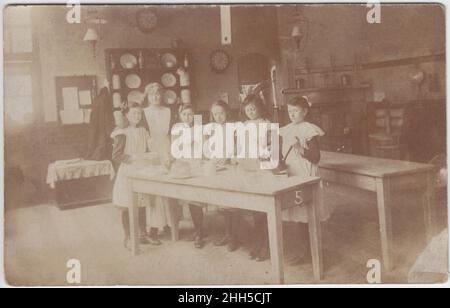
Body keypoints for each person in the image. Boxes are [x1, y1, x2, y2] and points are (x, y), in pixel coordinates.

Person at [279, 95, 328, 264]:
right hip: (293, 174)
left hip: (305, 174)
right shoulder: (286, 129)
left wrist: (300, 148)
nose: (292, 114)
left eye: (296, 111)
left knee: (307, 213)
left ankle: (311, 251)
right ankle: (304, 250)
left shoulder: (309, 129)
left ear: (305, 111)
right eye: (289, 111)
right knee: (297, 213)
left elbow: (315, 157)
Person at [111, 103, 165, 249]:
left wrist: (153, 154)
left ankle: (143, 234)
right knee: (127, 205)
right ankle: (128, 237)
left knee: (142, 203)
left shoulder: (143, 131)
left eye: (139, 114)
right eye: (133, 113)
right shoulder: (122, 132)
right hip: (128, 171)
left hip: (142, 171)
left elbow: (148, 149)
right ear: (127, 115)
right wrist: (136, 159)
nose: (136, 116)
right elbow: (116, 155)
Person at [204, 100, 240, 252]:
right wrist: (213, 158)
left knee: (233, 204)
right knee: (224, 204)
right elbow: (207, 150)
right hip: (219, 168)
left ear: (227, 113)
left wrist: (229, 158)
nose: (218, 117)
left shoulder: (235, 128)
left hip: (232, 167)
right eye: (215, 114)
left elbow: (240, 148)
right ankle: (228, 233)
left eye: (221, 113)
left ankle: (235, 237)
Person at [172, 104, 206, 249]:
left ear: (194, 115)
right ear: (180, 116)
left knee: (195, 199)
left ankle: (199, 232)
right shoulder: (177, 129)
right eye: (184, 114)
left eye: (190, 114)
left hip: (197, 164)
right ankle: (196, 228)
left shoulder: (199, 128)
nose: (187, 117)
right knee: (186, 197)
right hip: (183, 165)